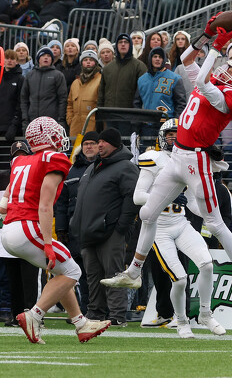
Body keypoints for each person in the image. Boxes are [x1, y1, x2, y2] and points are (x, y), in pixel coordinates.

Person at [101, 18, 232, 314]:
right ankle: (134, 272)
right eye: (228, 65)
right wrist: (205, 37)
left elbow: (201, 83)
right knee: (147, 213)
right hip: (177, 157)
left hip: (197, 161)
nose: (226, 69)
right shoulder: (217, 83)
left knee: (215, 223)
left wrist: (217, 47)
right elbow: (186, 60)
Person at [0, 117, 111, 343]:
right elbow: (45, 204)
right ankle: (34, 315)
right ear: (48, 137)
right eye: (57, 134)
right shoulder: (53, 158)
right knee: (73, 272)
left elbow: (4, 203)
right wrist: (48, 243)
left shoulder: (21, 160)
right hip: (28, 227)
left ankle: (81, 324)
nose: (61, 138)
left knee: (63, 270)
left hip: (10, 229)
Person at [133, 119, 225, 338]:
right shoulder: (153, 159)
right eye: (170, 134)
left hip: (181, 223)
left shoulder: (186, 161)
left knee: (207, 265)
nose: (174, 138)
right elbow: (138, 197)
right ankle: (182, 322)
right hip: (159, 228)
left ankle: (206, 314)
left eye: (178, 134)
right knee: (180, 278)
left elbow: (191, 202)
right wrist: (167, 198)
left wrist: (210, 214)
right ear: (161, 137)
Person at [69, 128, 139, 326]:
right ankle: (95, 313)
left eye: (103, 141)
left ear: (115, 144)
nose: (99, 145)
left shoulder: (126, 167)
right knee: (93, 276)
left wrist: (121, 227)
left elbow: (132, 197)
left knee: (114, 274)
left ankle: (117, 316)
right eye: (98, 141)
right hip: (88, 231)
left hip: (111, 232)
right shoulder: (93, 167)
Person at [0, 141, 43, 327]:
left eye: (22, 155)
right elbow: (0, 209)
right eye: (16, 156)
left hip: (27, 231)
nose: (19, 159)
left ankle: (34, 315)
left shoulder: (34, 177)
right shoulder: (3, 179)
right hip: (13, 231)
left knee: (31, 278)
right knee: (13, 278)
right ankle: (18, 315)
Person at [54, 131, 100, 314]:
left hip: (99, 227)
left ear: (99, 146)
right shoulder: (71, 171)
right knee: (80, 272)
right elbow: (62, 203)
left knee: (97, 271)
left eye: (92, 143)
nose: (89, 147)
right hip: (75, 230)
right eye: (86, 143)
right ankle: (84, 309)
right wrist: (61, 229)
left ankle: (99, 309)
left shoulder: (105, 167)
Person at [97, 33, 147, 134]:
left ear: (130, 45)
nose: (123, 44)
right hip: (110, 116)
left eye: (126, 42)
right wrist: (100, 115)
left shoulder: (139, 66)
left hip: (129, 117)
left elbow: (143, 94)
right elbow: (101, 93)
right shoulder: (108, 68)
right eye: (120, 42)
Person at [21, 46, 68, 131]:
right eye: (43, 55)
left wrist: (61, 120)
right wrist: (25, 119)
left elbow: (62, 99)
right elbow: (24, 99)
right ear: (38, 59)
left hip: (51, 122)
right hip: (33, 122)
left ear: (52, 60)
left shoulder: (58, 75)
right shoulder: (30, 76)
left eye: (49, 56)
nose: (46, 58)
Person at [134, 47, 186, 119]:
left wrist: (175, 121)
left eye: (160, 57)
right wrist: (138, 120)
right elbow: (137, 103)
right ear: (150, 59)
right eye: (155, 56)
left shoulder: (175, 78)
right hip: (146, 121)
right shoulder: (142, 79)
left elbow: (181, 104)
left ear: (164, 60)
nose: (157, 59)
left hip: (166, 121)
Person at [0, 49, 24, 169]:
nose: (10, 61)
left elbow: (20, 104)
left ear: (16, 61)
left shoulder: (20, 79)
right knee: (1, 164)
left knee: (12, 163)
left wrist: (14, 126)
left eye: (13, 58)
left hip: (13, 130)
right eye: (7, 58)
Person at [67, 50, 101, 137]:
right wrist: (70, 120)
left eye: (91, 60)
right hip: (75, 128)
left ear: (96, 63)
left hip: (92, 128)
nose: (88, 62)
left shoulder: (100, 80)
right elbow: (70, 104)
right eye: (85, 60)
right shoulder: (75, 83)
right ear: (81, 63)